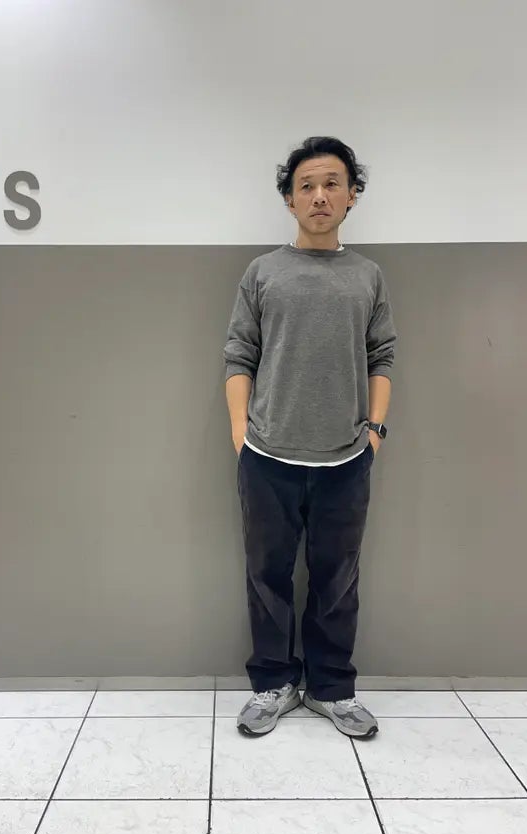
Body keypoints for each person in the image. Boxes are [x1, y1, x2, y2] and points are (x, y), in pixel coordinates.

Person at [223, 136, 396, 739]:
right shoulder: (262, 273)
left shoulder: (368, 276)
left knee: (337, 580)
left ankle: (331, 689)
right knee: (266, 576)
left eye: (331, 184)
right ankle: (273, 684)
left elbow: (382, 355)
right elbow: (239, 354)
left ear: (352, 196)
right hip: (267, 456)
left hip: (346, 459)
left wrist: (374, 432)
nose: (319, 195)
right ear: (290, 199)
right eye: (306, 186)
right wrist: (242, 431)